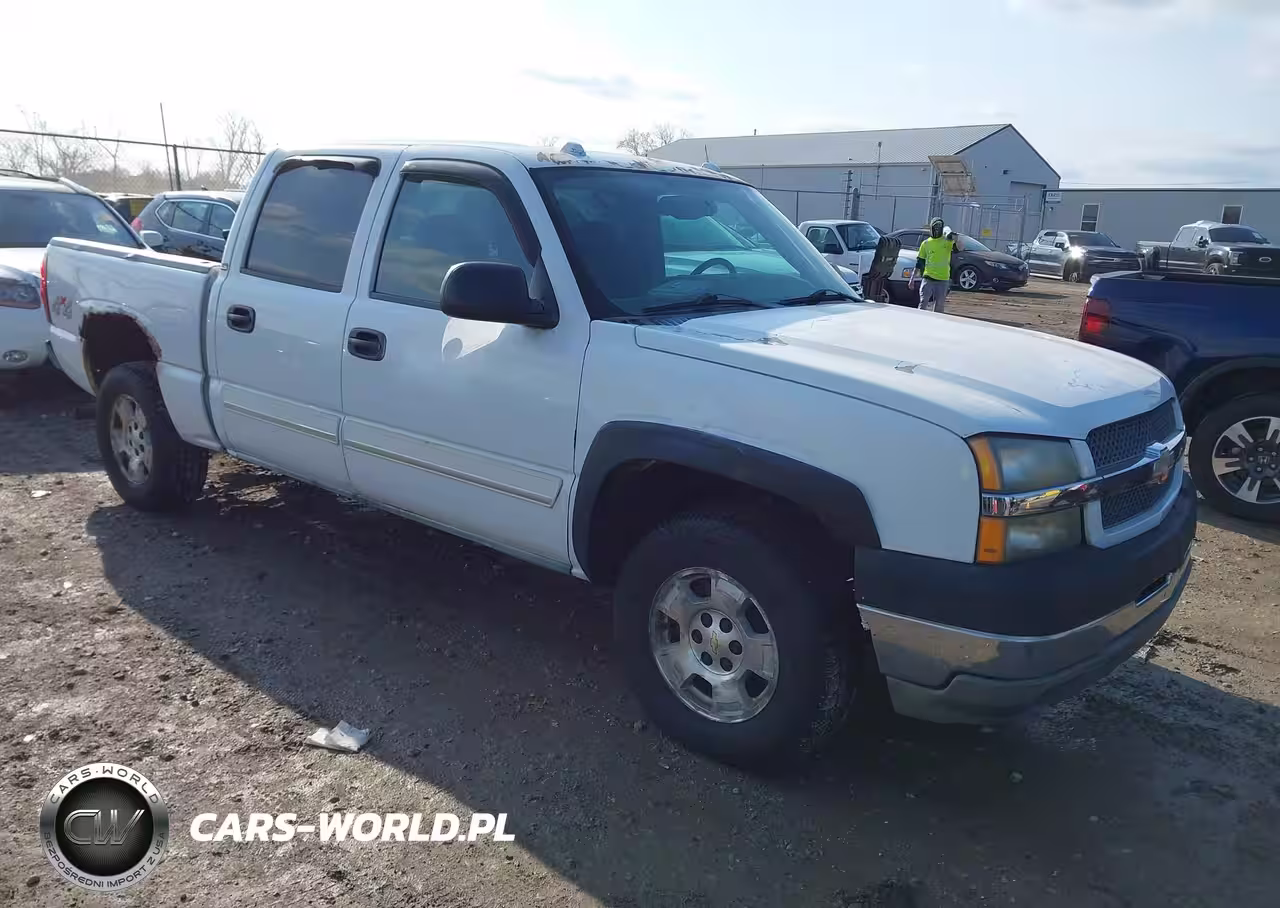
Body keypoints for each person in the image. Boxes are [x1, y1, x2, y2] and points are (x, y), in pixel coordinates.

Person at [909, 218, 959, 313]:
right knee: (923, 303)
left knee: (939, 306)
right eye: (935, 227)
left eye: (939, 227)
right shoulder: (926, 243)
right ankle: (919, 321)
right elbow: (919, 262)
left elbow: (959, 249)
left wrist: (956, 240)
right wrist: (912, 279)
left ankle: (936, 325)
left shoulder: (947, 241)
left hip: (943, 279)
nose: (937, 230)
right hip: (928, 278)